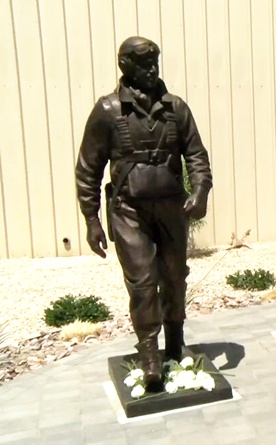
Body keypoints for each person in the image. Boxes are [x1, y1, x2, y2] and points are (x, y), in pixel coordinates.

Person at [75, 36, 212, 388]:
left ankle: (176, 342)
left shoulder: (176, 109)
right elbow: (88, 169)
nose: (153, 69)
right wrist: (92, 220)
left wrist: (199, 191)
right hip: (128, 211)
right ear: (126, 67)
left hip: (170, 209)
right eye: (144, 64)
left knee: (175, 276)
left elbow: (196, 156)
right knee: (142, 282)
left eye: (155, 62)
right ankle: (149, 351)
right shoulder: (108, 111)